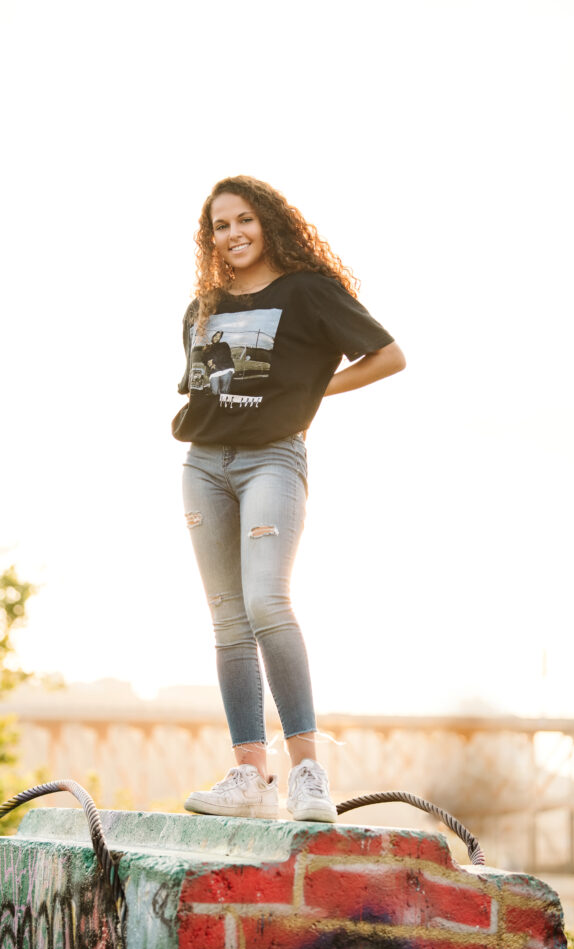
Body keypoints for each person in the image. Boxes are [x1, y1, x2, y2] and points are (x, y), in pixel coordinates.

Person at [172, 176, 405, 822]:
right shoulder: (202, 307)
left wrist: (309, 393)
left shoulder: (309, 293)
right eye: (219, 225)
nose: (232, 234)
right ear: (209, 237)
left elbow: (388, 356)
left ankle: (306, 772)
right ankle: (250, 777)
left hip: (272, 459)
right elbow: (204, 393)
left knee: (266, 600)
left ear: (268, 221)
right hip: (202, 467)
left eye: (243, 219)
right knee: (226, 619)